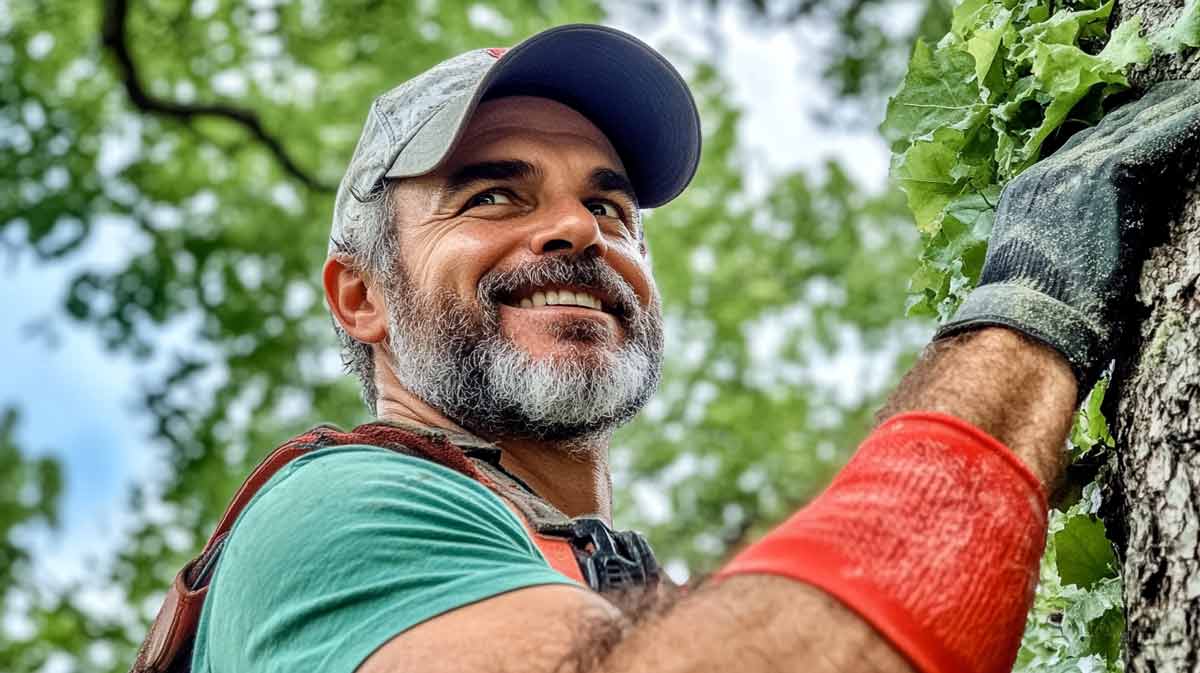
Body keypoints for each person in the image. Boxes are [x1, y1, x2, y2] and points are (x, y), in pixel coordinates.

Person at [182, 23, 1200, 673]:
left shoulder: (586, 577)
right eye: (494, 193)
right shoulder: (337, 511)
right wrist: (1025, 324)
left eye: (611, 205)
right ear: (361, 296)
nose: (580, 231)